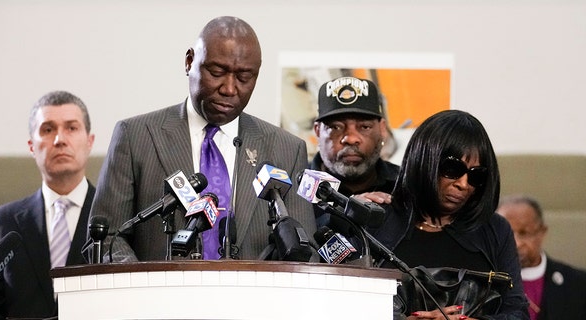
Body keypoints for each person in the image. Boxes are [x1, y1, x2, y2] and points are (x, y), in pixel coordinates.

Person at [91, 16, 315, 262]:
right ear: (189, 62)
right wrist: (143, 289)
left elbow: (303, 254)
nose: (229, 88)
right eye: (217, 72)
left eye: (244, 77)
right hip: (158, 297)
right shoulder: (135, 136)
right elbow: (106, 239)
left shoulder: (287, 150)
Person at [371, 110, 529, 319]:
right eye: (453, 169)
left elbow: (517, 312)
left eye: (476, 175)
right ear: (423, 160)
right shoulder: (375, 222)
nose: (463, 184)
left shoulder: (496, 230)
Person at [0, 91, 96, 319]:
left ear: (90, 141)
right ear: (31, 146)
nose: (59, 139)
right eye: (48, 129)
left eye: (71, 128)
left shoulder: (117, 215)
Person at [311, 76, 397, 260]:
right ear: (317, 131)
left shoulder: (404, 185)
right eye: (335, 127)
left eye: (364, 127)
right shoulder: (294, 188)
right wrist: (343, 217)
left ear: (382, 129)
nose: (350, 138)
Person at [497, 194, 586, 320]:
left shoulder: (578, 285)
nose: (515, 243)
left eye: (524, 233)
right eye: (506, 233)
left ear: (542, 232)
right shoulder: (479, 282)